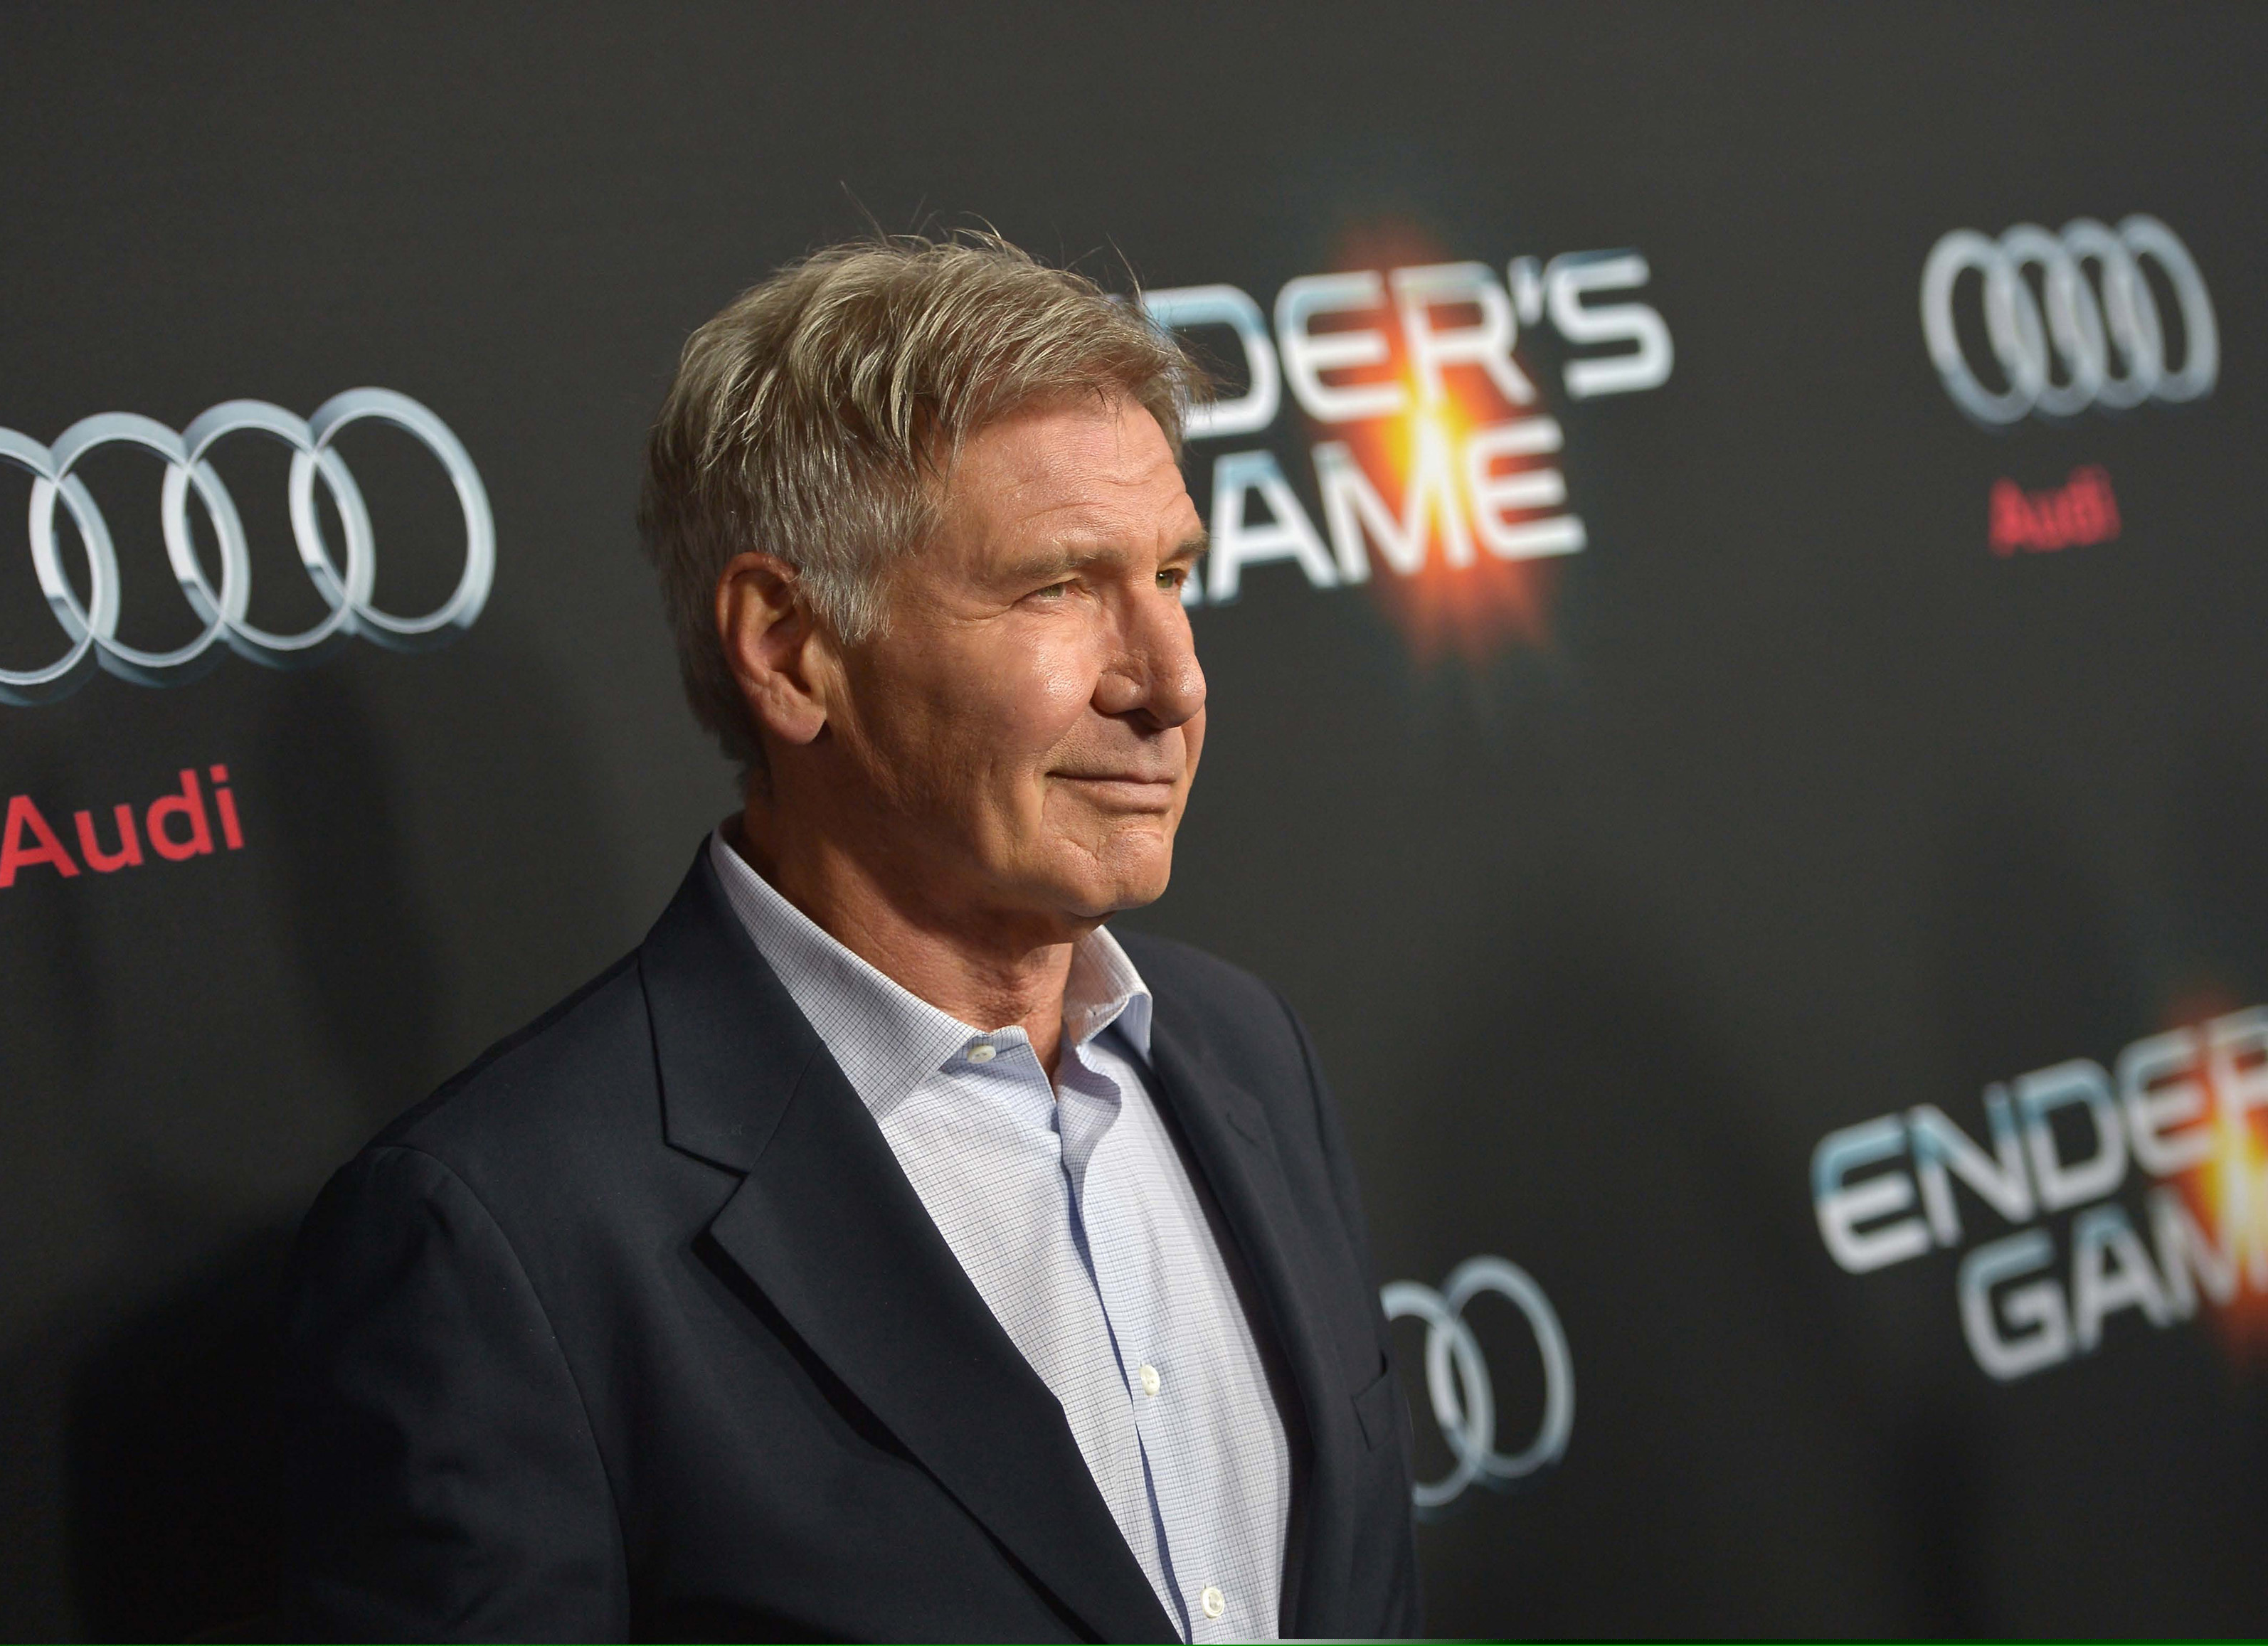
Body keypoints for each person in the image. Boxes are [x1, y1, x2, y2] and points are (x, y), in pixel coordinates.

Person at [280, 233, 1419, 1642]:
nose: (1170, 682)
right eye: (1057, 587)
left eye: (1173, 574)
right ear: (787, 647)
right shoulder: (508, 1237)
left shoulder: (1246, 1053)